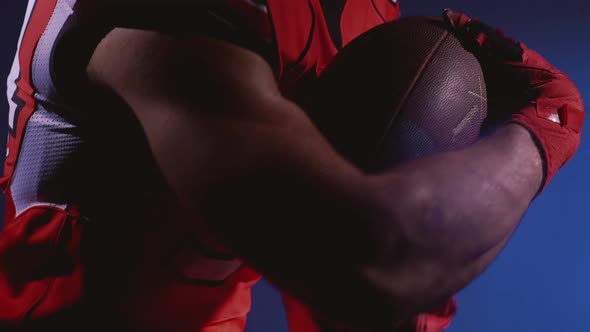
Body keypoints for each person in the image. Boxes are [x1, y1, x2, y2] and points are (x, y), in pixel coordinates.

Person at [0, 0, 583, 331]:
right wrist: (542, 132)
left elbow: (351, 302)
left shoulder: (361, 11)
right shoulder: (170, 18)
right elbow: (370, 259)